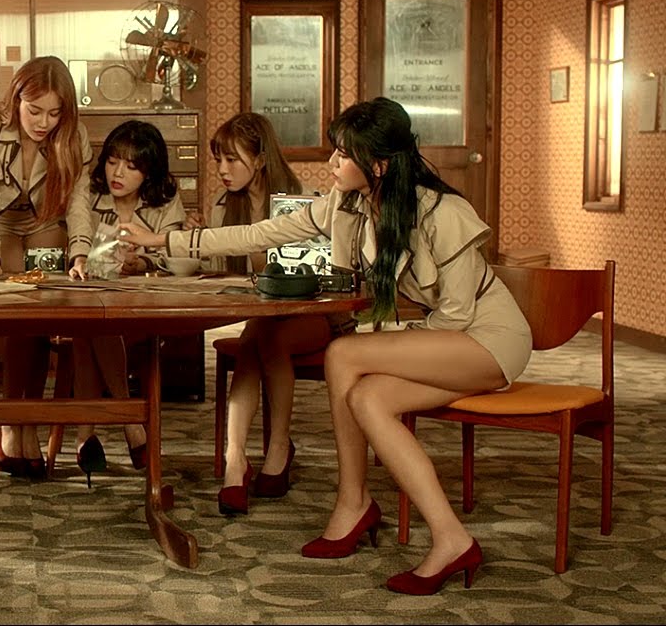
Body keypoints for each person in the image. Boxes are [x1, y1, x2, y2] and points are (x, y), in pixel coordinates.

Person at [119, 97, 531, 595]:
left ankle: (352, 501)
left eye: (344, 154)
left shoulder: (444, 212)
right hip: (445, 341)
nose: (332, 162)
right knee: (367, 398)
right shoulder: (348, 203)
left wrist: (388, 346)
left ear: (378, 165)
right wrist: (164, 242)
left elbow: (457, 318)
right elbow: (262, 232)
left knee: (344, 353)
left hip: (487, 340)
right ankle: (450, 538)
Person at [185, 112, 352, 516]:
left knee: (266, 338)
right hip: (263, 313)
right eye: (219, 160)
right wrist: (198, 238)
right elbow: (227, 274)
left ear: (260, 160)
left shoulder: (304, 201)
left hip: (314, 315)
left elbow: (324, 270)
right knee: (257, 338)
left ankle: (275, 446)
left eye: (232, 160)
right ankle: (236, 457)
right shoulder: (225, 206)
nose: (222, 170)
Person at [0, 55, 92, 477]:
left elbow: (79, 201)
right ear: (16, 99)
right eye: (34, 111)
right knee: (17, 307)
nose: (44, 122)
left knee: (41, 312)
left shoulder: (73, 134)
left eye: (54, 113)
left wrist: (80, 250)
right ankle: (12, 423)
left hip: (45, 223)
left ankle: (27, 421)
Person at [64, 120, 184, 483]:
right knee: (90, 324)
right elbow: (77, 230)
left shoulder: (165, 198)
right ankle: (130, 421)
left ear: (149, 172)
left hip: (142, 305)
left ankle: (85, 436)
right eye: (113, 161)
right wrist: (81, 258)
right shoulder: (88, 190)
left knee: (90, 329)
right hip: (91, 300)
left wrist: (142, 261)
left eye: (131, 166)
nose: (117, 173)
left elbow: (176, 251)